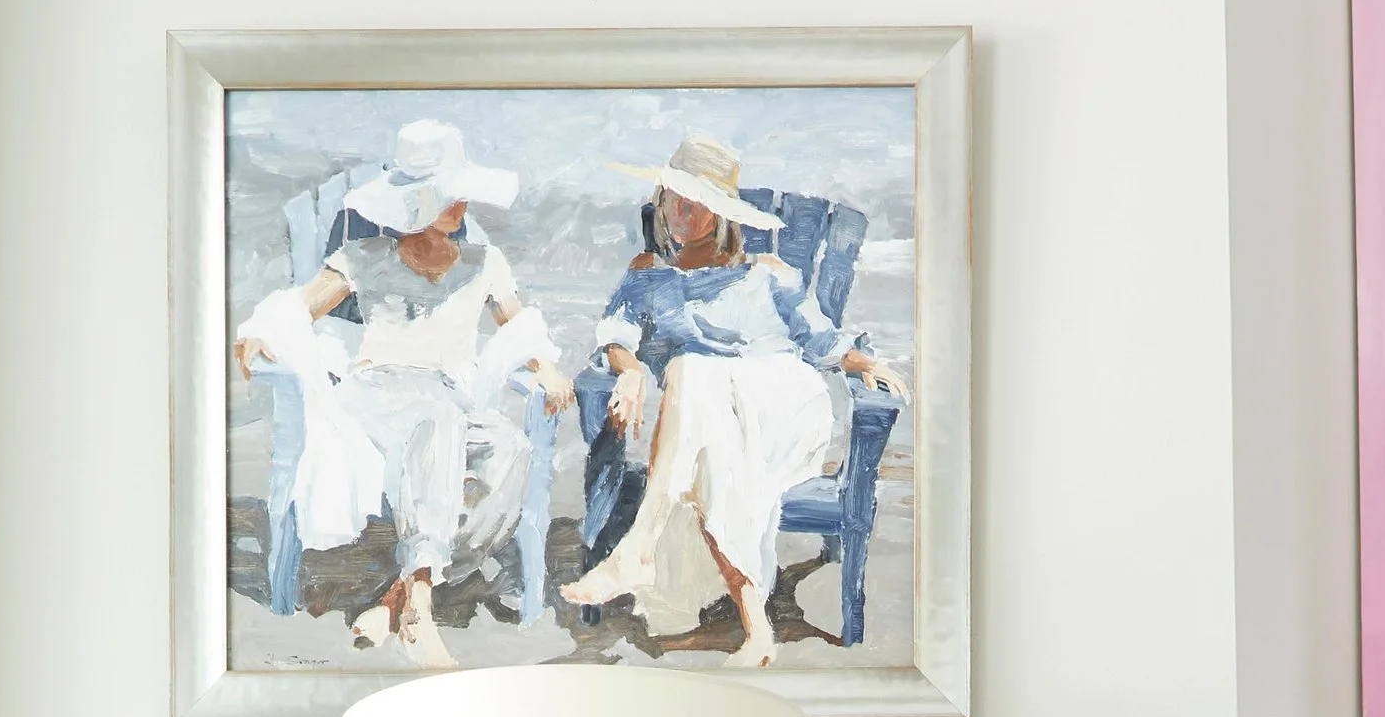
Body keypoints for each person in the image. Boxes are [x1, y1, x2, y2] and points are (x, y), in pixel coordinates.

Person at [559, 134, 906, 668]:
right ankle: (757, 631)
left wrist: (868, 364)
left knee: (688, 371)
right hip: (708, 414)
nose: (681, 211)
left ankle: (638, 548)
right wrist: (628, 373)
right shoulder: (647, 274)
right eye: (674, 197)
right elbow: (616, 336)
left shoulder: (770, 274)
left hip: (784, 401)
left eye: (697, 202)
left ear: (721, 214)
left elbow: (821, 340)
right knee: (705, 418)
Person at [235, 118, 571, 666]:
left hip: (448, 394)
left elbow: (519, 325)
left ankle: (400, 595)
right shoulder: (363, 257)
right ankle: (417, 610)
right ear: (413, 200)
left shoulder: (485, 264)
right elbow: (299, 305)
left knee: (511, 449)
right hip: (377, 391)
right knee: (436, 423)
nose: (458, 202)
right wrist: (258, 331)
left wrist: (547, 366)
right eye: (444, 192)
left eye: (460, 189)